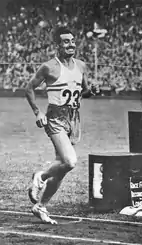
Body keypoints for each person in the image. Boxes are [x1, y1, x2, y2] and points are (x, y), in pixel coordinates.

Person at [25, 27, 99, 224]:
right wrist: (37, 112)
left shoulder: (81, 66)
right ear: (57, 45)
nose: (71, 44)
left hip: (74, 119)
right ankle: (41, 176)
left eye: (73, 41)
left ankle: (40, 206)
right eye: (66, 41)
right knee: (70, 161)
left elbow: (83, 92)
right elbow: (29, 88)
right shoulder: (49, 67)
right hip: (56, 118)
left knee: (62, 169)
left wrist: (91, 91)